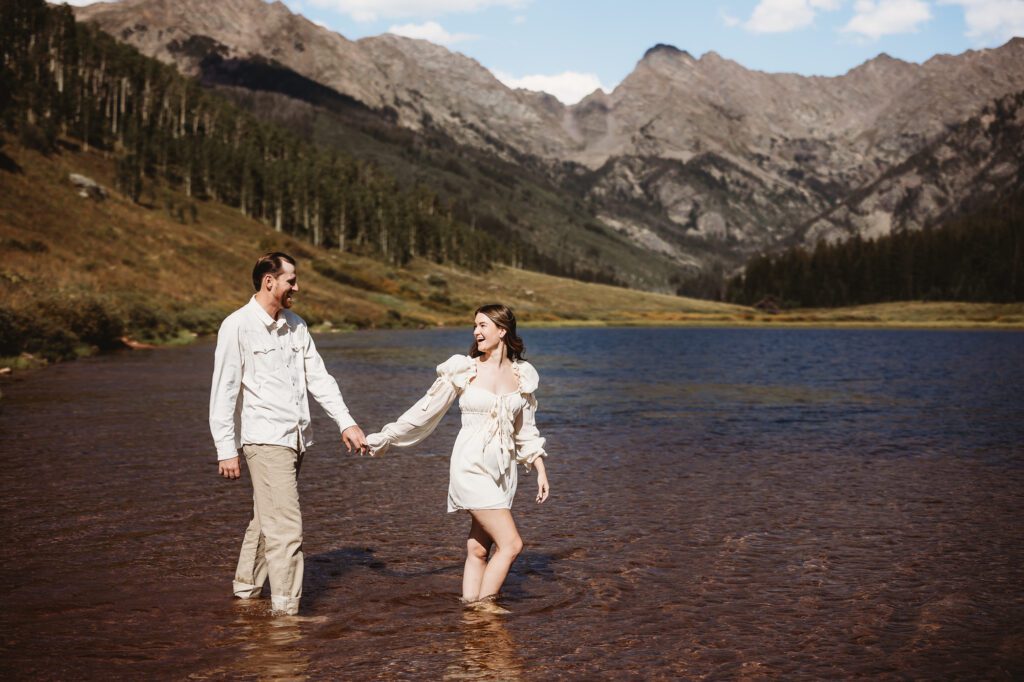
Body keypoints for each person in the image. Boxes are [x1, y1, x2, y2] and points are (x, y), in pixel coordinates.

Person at [209, 251, 368, 616]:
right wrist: (225, 448)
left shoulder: (296, 325)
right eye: (291, 280)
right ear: (270, 281)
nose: (297, 286)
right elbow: (225, 390)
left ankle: (246, 590)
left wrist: (346, 421)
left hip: (296, 438)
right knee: (288, 530)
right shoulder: (237, 325)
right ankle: (286, 616)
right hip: (264, 440)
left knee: (267, 519)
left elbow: (320, 379)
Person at [366, 304, 550, 610]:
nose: (476, 332)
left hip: (502, 472)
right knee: (512, 544)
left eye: (482, 325)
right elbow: (425, 410)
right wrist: (385, 437)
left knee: (479, 549)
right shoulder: (465, 369)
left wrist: (540, 469)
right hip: (470, 466)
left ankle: (469, 613)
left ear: (502, 331)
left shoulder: (523, 376)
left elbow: (525, 431)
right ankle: (485, 611)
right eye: (474, 326)